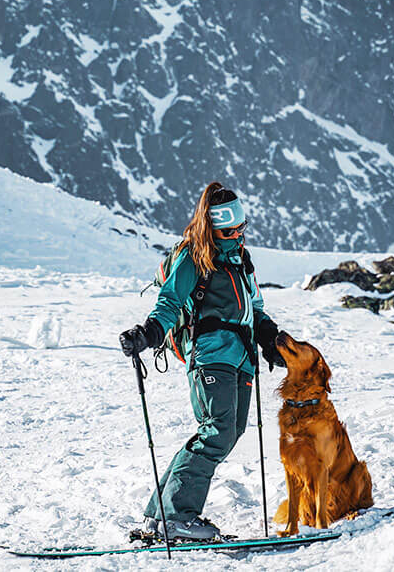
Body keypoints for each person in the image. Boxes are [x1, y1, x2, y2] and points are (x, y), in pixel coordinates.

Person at [119, 181, 285, 541]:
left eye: (242, 227)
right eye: (230, 230)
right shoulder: (195, 255)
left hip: (242, 358)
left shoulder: (242, 260)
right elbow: (170, 301)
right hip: (210, 357)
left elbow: (255, 308)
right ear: (213, 227)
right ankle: (178, 515)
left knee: (229, 432)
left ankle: (160, 516)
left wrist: (270, 340)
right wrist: (147, 334)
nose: (238, 234)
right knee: (217, 431)